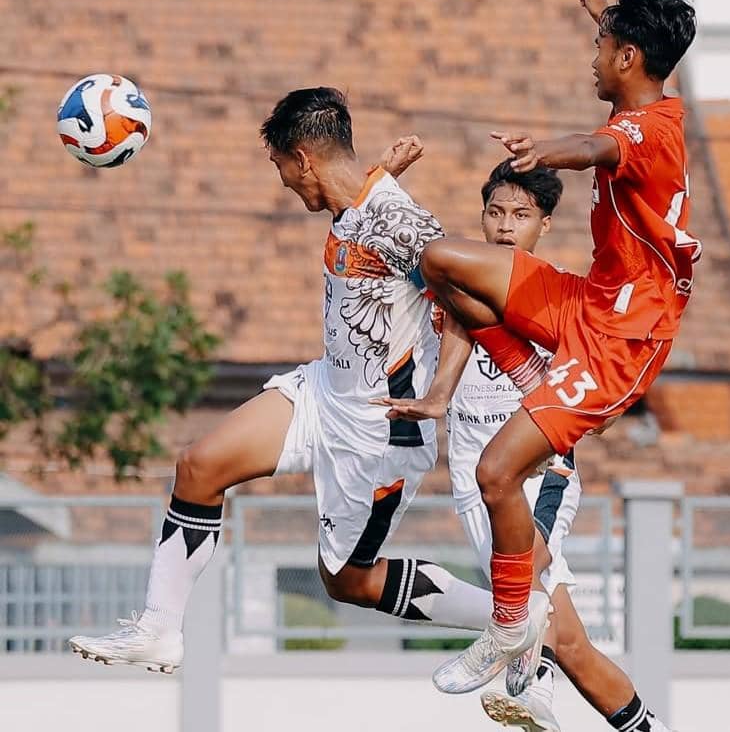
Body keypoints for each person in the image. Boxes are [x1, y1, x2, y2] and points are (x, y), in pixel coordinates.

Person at [68, 88, 495, 672]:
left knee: (348, 581)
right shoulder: (360, 200)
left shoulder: (397, 221)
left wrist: (440, 393)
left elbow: (469, 300)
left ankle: (508, 617)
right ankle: (159, 629)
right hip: (323, 394)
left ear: (303, 159)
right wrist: (385, 172)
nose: (284, 182)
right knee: (198, 467)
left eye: (281, 168)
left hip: (378, 430)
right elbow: (368, 219)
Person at [409, 0, 699, 700]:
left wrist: (543, 152)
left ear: (627, 57)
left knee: (496, 473)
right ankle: (526, 373)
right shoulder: (647, 98)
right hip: (588, 301)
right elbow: (617, 92)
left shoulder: (647, 132)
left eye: (601, 46)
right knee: (438, 260)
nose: (591, 58)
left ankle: (510, 625)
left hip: (621, 344)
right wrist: (601, 9)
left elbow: (598, 147)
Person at [380, 158, 676, 732]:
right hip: (471, 475)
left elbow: (605, 389)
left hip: (542, 471)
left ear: (545, 225)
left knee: (529, 575)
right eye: (494, 213)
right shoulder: (457, 289)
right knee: (568, 638)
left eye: (520, 215)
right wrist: (386, 178)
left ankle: (533, 684)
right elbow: (395, 248)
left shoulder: (560, 298)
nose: (505, 226)